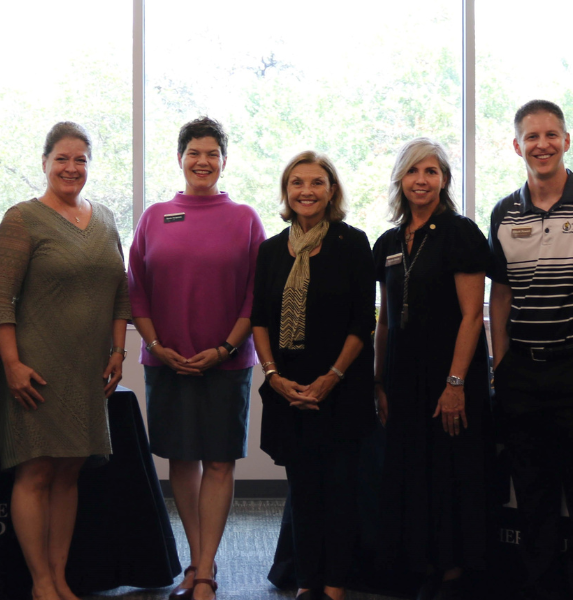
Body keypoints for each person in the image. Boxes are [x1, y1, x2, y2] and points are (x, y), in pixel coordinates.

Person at [488, 99, 573, 600]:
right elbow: (500, 295)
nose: (542, 144)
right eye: (532, 136)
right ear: (517, 146)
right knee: (532, 495)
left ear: (566, 141)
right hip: (522, 372)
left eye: (552, 135)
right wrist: (501, 366)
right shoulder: (503, 212)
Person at [0, 121, 131, 600]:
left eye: (81, 160)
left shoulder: (107, 219)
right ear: (45, 163)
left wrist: (118, 349)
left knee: (70, 470)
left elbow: (120, 293)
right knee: (36, 471)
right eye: (62, 159)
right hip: (36, 367)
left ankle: (60, 576)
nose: (72, 168)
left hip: (88, 369)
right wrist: (10, 363)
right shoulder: (22, 218)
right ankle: (40, 583)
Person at [127, 116, 265, 600]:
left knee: (220, 462)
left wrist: (225, 347)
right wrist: (157, 345)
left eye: (212, 154)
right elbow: (135, 290)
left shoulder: (245, 217)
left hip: (227, 363)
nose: (202, 161)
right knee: (181, 460)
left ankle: (205, 571)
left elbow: (257, 294)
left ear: (224, 162)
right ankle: (195, 558)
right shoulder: (154, 216)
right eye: (194, 153)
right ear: (180, 158)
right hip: (165, 362)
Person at [252, 152, 376, 600]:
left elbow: (364, 321)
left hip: (341, 386)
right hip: (287, 387)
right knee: (303, 490)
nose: (306, 191)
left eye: (317, 182)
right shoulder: (270, 250)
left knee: (340, 489)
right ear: (286, 192)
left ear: (331, 190)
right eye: (297, 183)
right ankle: (306, 581)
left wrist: (332, 377)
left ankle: (336, 581)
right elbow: (260, 319)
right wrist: (273, 376)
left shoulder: (354, 242)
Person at [371, 138, 489, 600]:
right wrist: (378, 381)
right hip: (403, 379)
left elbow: (470, 315)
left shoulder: (460, 233)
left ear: (444, 180)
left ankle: (454, 571)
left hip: (449, 376)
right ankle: (419, 565)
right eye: (413, 171)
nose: (422, 180)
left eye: (432, 171)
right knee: (411, 471)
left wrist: (455, 383)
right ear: (400, 179)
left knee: (450, 472)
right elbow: (385, 319)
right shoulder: (388, 241)